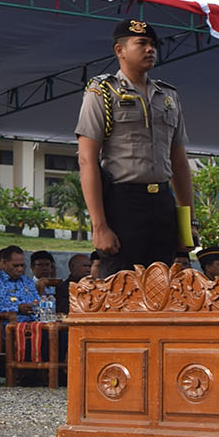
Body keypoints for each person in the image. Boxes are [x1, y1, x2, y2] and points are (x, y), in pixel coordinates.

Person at [76, 18, 195, 278]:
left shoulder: (168, 96)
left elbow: (180, 163)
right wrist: (99, 225)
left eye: (153, 44)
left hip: (162, 203)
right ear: (120, 50)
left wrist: (187, 226)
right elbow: (87, 160)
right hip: (123, 203)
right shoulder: (102, 92)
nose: (150, 49)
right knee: (121, 288)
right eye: (141, 43)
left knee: (162, 288)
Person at [0, 245, 40, 320]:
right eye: (15, 266)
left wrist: (35, 306)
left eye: (22, 265)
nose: (20, 269)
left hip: (34, 323)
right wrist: (17, 308)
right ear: (4, 263)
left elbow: (38, 301)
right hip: (9, 324)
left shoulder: (27, 281)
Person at [55, 252, 91, 316]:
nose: (88, 270)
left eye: (89, 266)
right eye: (84, 266)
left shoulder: (93, 285)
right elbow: (65, 310)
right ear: (73, 267)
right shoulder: (64, 288)